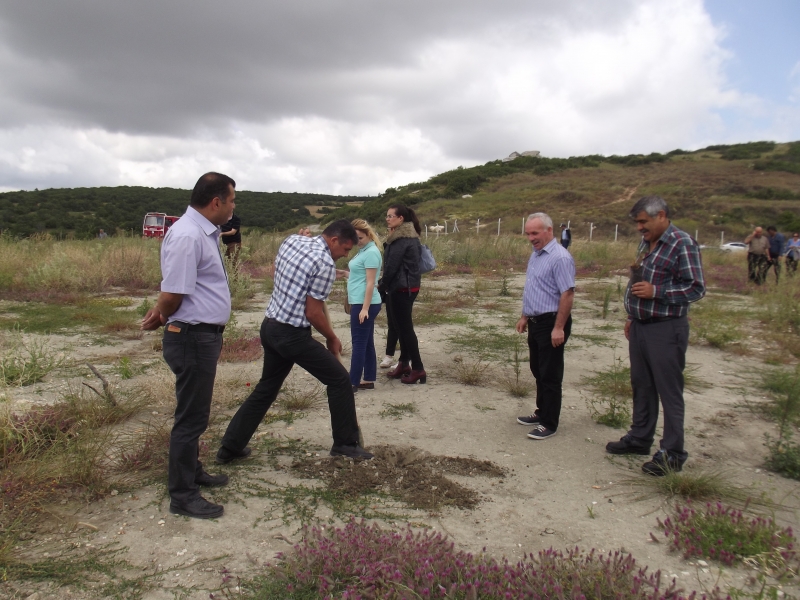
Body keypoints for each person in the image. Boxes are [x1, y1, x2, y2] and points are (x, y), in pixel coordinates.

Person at [217, 219, 373, 461]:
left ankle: (230, 447)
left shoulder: (293, 240)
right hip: (291, 335)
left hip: (270, 327)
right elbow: (313, 313)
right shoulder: (324, 264)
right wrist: (331, 337)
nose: (344, 255)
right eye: (345, 249)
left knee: (266, 388)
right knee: (340, 380)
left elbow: (293, 266)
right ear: (333, 240)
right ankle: (346, 443)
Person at [141, 172, 236, 519]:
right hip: (192, 336)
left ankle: (192, 471)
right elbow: (174, 292)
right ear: (216, 202)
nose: (233, 207)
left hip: (201, 335)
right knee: (190, 417)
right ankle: (182, 494)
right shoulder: (186, 235)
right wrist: (160, 314)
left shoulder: (202, 232)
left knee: (195, 411)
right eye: (231, 200)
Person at [606, 196, 705, 476]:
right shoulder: (647, 242)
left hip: (666, 328)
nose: (639, 228)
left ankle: (673, 453)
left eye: (643, 222)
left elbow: (696, 288)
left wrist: (657, 292)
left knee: (668, 391)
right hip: (640, 325)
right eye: (637, 223)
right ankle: (640, 438)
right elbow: (639, 282)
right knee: (642, 385)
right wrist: (631, 315)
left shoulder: (682, 243)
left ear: (661, 215)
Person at [515, 213, 575, 440]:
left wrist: (558, 328)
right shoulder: (536, 255)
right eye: (528, 234)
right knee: (538, 370)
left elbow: (567, 294)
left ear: (549, 231)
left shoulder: (560, 258)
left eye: (535, 233)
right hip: (535, 322)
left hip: (552, 322)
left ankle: (550, 423)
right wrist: (524, 317)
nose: (531, 238)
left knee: (550, 374)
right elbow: (533, 289)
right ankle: (541, 412)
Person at [380, 204, 426, 384]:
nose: (387, 218)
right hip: (406, 286)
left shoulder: (401, 239)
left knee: (405, 329)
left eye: (391, 216)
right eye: (387, 215)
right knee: (400, 327)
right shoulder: (407, 236)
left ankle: (418, 368)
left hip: (402, 288)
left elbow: (391, 267)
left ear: (401, 219)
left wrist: (382, 285)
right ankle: (404, 364)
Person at [347, 219, 383, 391]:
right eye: (355, 239)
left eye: (360, 238)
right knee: (366, 342)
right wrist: (345, 274)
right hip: (360, 301)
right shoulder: (364, 250)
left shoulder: (371, 252)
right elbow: (360, 275)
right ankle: (368, 379)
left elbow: (370, 282)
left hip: (364, 302)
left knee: (359, 343)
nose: (357, 242)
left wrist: (365, 309)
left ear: (368, 235)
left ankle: (352, 382)